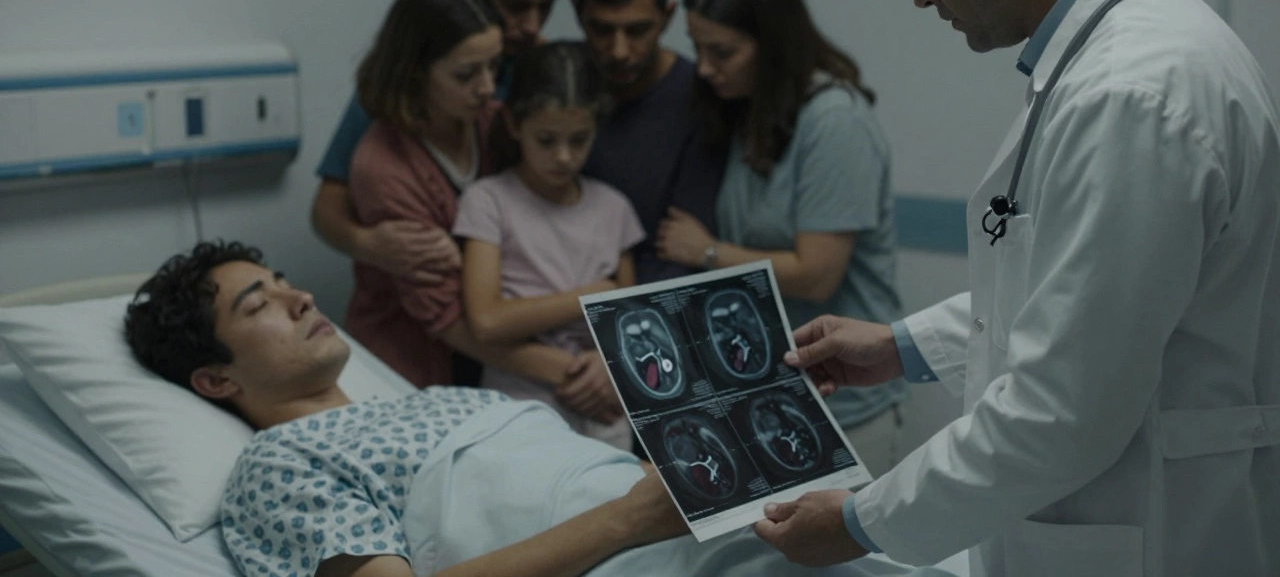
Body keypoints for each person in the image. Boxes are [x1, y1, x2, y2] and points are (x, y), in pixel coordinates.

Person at [754, 0, 1280, 577]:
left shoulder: (1131, 93)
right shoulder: (1130, 55)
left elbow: (1062, 410)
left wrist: (859, 521)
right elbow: (1082, 298)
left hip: (1150, 540)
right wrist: (901, 346)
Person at [123, 242, 949, 577]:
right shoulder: (278, 467)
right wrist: (633, 519)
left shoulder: (441, 399)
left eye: (283, 283)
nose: (300, 296)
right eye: (258, 303)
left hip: (688, 526)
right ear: (215, 381)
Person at [655, 0, 908, 478]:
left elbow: (816, 275)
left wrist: (704, 252)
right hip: (767, 398)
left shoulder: (835, 122)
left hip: (845, 409)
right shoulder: (750, 112)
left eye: (721, 51)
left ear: (771, 45)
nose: (703, 68)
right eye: (698, 48)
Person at [310, 0, 571, 322]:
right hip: (423, 322)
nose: (532, 25)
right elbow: (326, 207)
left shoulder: (544, 74)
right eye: (516, 5)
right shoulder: (393, 98)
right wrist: (368, 243)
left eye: (545, 7)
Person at [342, 0, 567, 390]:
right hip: (413, 368)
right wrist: (567, 371)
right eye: (466, 75)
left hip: (499, 356)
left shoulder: (491, 123)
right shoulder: (384, 166)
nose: (486, 88)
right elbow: (447, 319)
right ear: (415, 72)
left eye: (494, 66)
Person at [454, 42, 643, 450]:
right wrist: (590, 296)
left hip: (605, 409)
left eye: (579, 139)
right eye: (546, 140)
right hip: (517, 409)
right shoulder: (489, 202)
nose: (563, 156)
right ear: (514, 124)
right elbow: (486, 320)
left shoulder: (614, 208)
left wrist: (608, 367)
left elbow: (631, 326)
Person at [573, 0, 726, 285]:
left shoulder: (701, 98)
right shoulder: (560, 77)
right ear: (577, 13)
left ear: (668, 16)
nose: (619, 51)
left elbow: (680, 253)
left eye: (638, 30)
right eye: (601, 30)